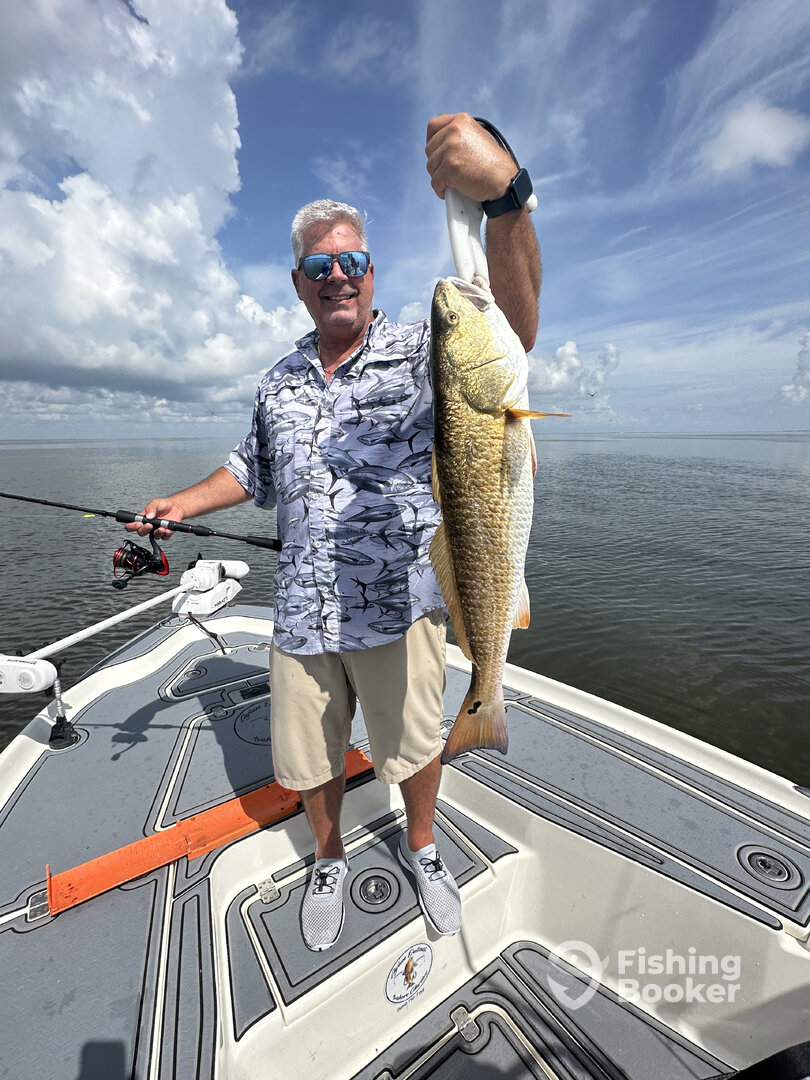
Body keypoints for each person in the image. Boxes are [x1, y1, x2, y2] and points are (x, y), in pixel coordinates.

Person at [128, 112, 541, 951]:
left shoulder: (425, 350)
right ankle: (327, 856)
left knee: (414, 746)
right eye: (320, 266)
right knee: (310, 762)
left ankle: (422, 847)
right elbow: (249, 471)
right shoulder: (277, 380)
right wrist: (179, 504)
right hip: (303, 616)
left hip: (400, 607)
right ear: (299, 283)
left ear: (371, 273)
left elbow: (513, 330)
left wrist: (506, 200)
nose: (338, 277)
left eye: (352, 262)